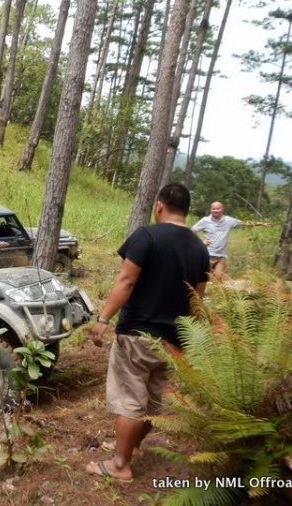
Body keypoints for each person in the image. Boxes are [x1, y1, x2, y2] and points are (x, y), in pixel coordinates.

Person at [86, 184, 210, 483]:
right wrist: (191, 342)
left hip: (137, 334)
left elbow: (126, 280)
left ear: (159, 206)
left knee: (130, 400)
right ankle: (131, 447)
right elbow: (198, 300)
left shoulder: (147, 236)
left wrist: (103, 318)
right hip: (174, 341)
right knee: (152, 404)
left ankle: (120, 465)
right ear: (187, 211)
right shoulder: (200, 249)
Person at [191, 201, 242, 278]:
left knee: (217, 280)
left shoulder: (228, 220)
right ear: (210, 210)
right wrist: (200, 242)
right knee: (205, 279)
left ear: (222, 209)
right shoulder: (205, 220)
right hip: (208, 255)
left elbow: (243, 224)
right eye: (213, 209)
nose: (215, 210)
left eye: (218, 208)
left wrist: (260, 223)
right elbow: (192, 230)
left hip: (221, 256)